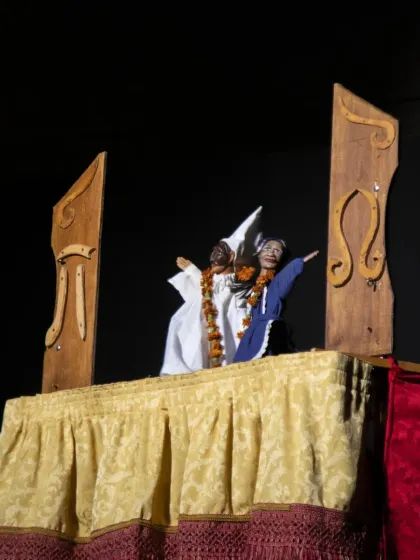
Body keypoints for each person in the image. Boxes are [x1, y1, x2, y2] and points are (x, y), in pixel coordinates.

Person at [160, 207, 262, 375]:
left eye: (219, 253)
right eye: (213, 252)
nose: (213, 258)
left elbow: (220, 295)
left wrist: (194, 272)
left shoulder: (237, 281)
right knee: (179, 321)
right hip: (205, 323)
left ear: (231, 257)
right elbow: (204, 291)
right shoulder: (211, 279)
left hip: (225, 323)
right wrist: (193, 272)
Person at [233, 237, 319, 363]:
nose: (271, 253)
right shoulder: (248, 286)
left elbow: (286, 276)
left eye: (277, 251)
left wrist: (300, 262)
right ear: (258, 254)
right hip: (250, 336)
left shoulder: (275, 284)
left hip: (270, 332)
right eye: (267, 248)